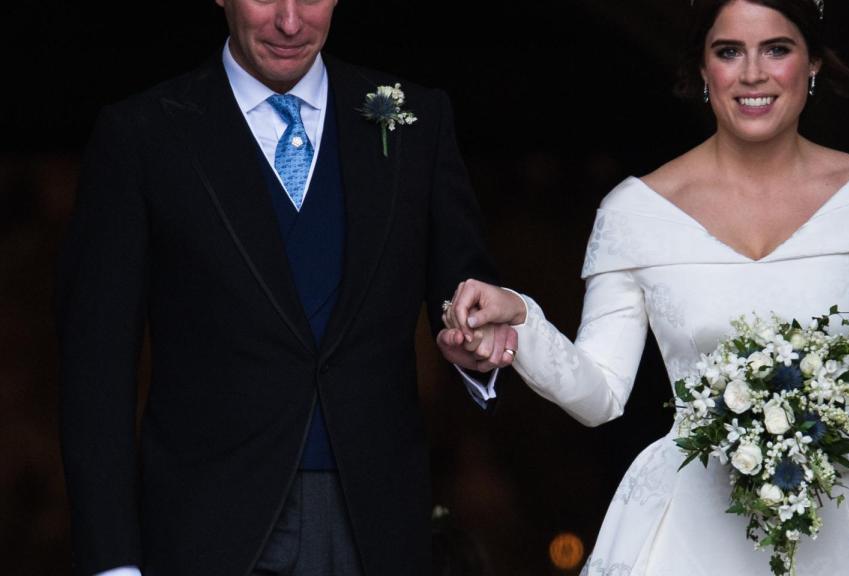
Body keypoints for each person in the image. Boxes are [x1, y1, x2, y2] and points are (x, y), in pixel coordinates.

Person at [438, 0, 849, 573]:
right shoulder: (635, 212)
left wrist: (839, 428)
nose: (753, 74)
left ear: (812, 62)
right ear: (701, 68)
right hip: (685, 531)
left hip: (844, 518)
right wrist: (522, 319)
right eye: (729, 51)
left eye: (777, 49)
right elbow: (600, 394)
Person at [56, 1, 517, 575]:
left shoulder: (418, 120)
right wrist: (112, 562)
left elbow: (469, 292)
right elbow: (96, 367)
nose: (291, 22)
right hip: (206, 527)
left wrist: (480, 344)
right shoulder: (142, 133)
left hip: (377, 525)